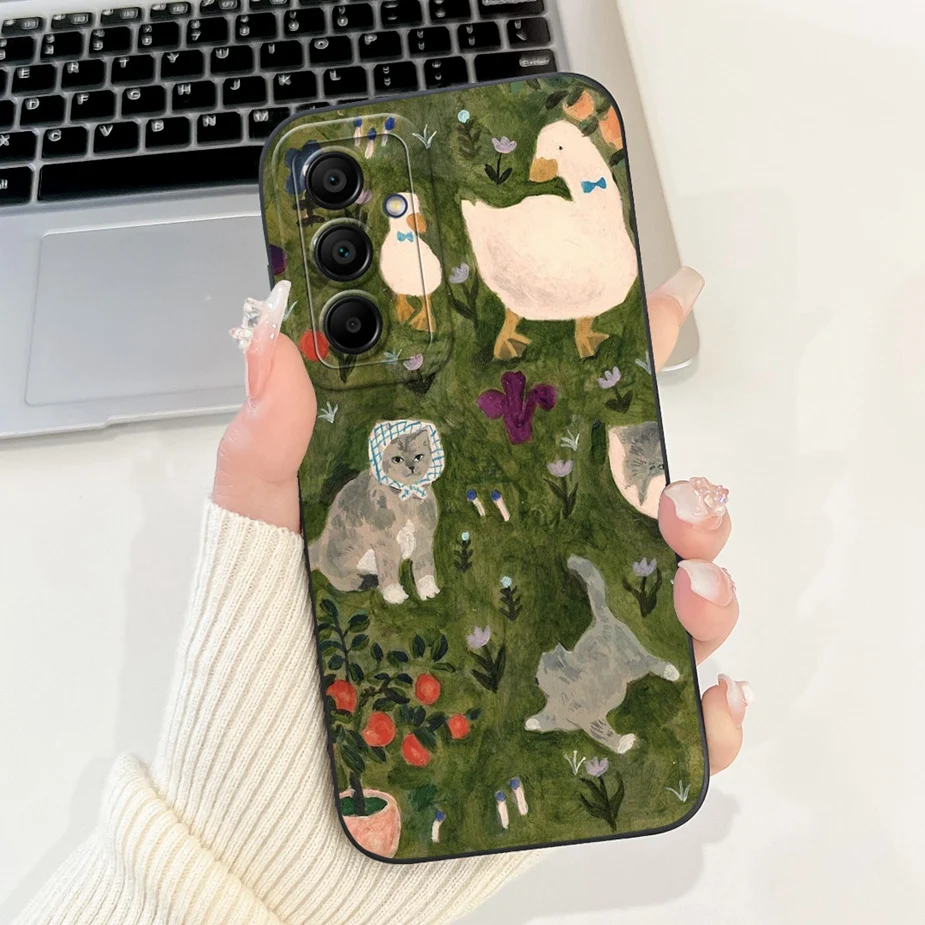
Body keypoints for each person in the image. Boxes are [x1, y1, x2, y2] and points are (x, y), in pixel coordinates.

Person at [15, 269, 750, 925]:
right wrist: (248, 868)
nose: (412, 462)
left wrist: (228, 870)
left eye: (418, 455)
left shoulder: (427, 492)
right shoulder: (372, 492)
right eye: (403, 456)